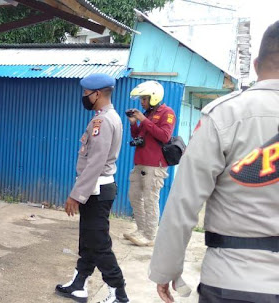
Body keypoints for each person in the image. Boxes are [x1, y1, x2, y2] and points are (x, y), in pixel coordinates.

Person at [150, 20, 279, 303]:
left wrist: (166, 268)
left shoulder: (225, 116)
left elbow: (185, 201)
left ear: (256, 64)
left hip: (232, 280)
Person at [56, 73, 129, 303]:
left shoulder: (103, 121)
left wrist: (76, 195)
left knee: (99, 244)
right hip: (96, 190)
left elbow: (95, 162)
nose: (84, 97)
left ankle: (119, 293)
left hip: (97, 190)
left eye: (86, 94)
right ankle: (79, 284)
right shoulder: (108, 117)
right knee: (88, 240)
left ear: (97, 94)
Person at [123, 80, 176, 247]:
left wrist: (143, 119)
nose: (141, 102)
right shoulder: (149, 114)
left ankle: (150, 236)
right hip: (140, 163)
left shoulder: (167, 113)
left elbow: (164, 136)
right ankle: (141, 230)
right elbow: (138, 135)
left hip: (154, 165)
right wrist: (134, 123)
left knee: (150, 199)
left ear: (153, 97)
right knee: (134, 197)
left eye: (144, 99)